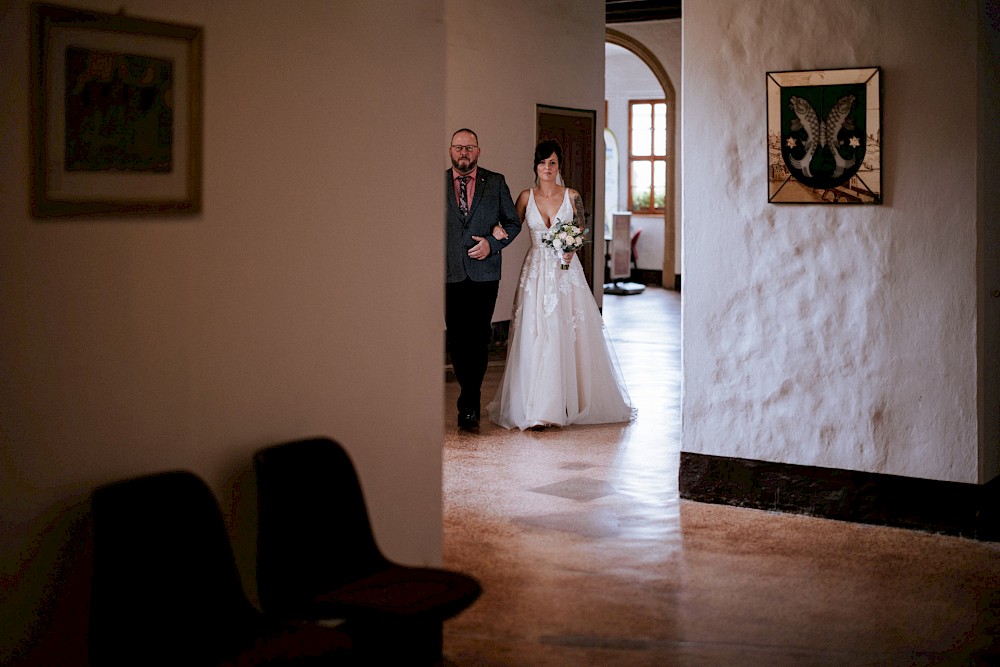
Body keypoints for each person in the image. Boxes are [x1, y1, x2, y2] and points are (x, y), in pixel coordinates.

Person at [487, 140, 635, 431]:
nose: (547, 168)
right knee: (536, 331)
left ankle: (567, 402)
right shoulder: (525, 197)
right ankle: (537, 406)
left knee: (565, 331)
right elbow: (511, 228)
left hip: (566, 274)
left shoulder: (572, 196)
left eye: (552, 163)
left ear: (559, 166)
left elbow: (581, 229)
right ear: (535, 166)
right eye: (543, 163)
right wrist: (495, 231)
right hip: (535, 273)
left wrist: (572, 247)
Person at [446, 128, 522, 432]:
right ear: (451, 150)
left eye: (469, 147)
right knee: (457, 338)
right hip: (448, 272)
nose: (464, 152)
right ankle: (468, 397)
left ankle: (470, 404)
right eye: (458, 147)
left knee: (478, 339)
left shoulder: (496, 182)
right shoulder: (435, 183)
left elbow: (513, 223)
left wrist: (493, 242)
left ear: (478, 151)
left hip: (485, 273)